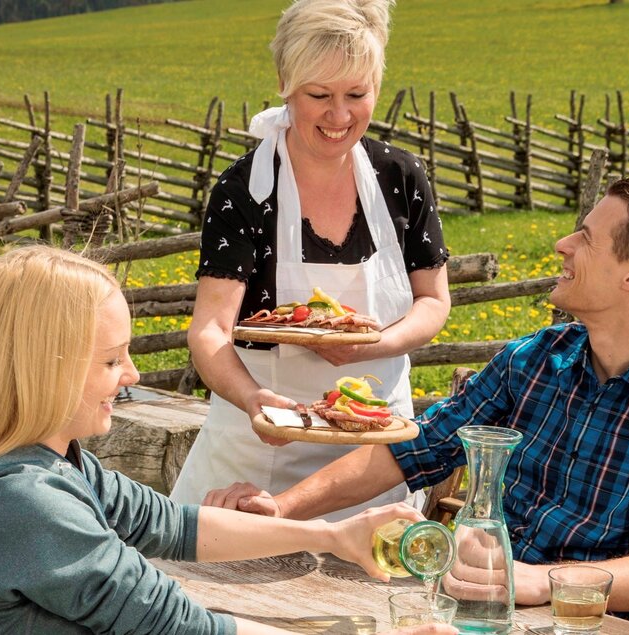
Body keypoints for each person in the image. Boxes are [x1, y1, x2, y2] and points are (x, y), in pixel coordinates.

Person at [204, 177, 629, 615]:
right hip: (468, 604)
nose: (562, 245)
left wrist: (535, 581)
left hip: (579, 619)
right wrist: (281, 509)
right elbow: (415, 449)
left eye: (586, 238)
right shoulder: (536, 357)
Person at [0, 246, 453, 635]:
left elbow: (170, 524)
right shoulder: (27, 505)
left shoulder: (42, 465)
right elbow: (179, 624)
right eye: (112, 360)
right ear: (44, 368)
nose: (133, 375)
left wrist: (331, 536)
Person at [170, 0, 451, 521]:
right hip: (259, 452)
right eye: (319, 95)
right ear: (285, 84)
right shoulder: (245, 190)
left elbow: (433, 301)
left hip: (369, 453)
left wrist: (375, 346)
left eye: (356, 95)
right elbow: (210, 330)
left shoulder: (401, 177)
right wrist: (253, 399)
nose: (339, 116)